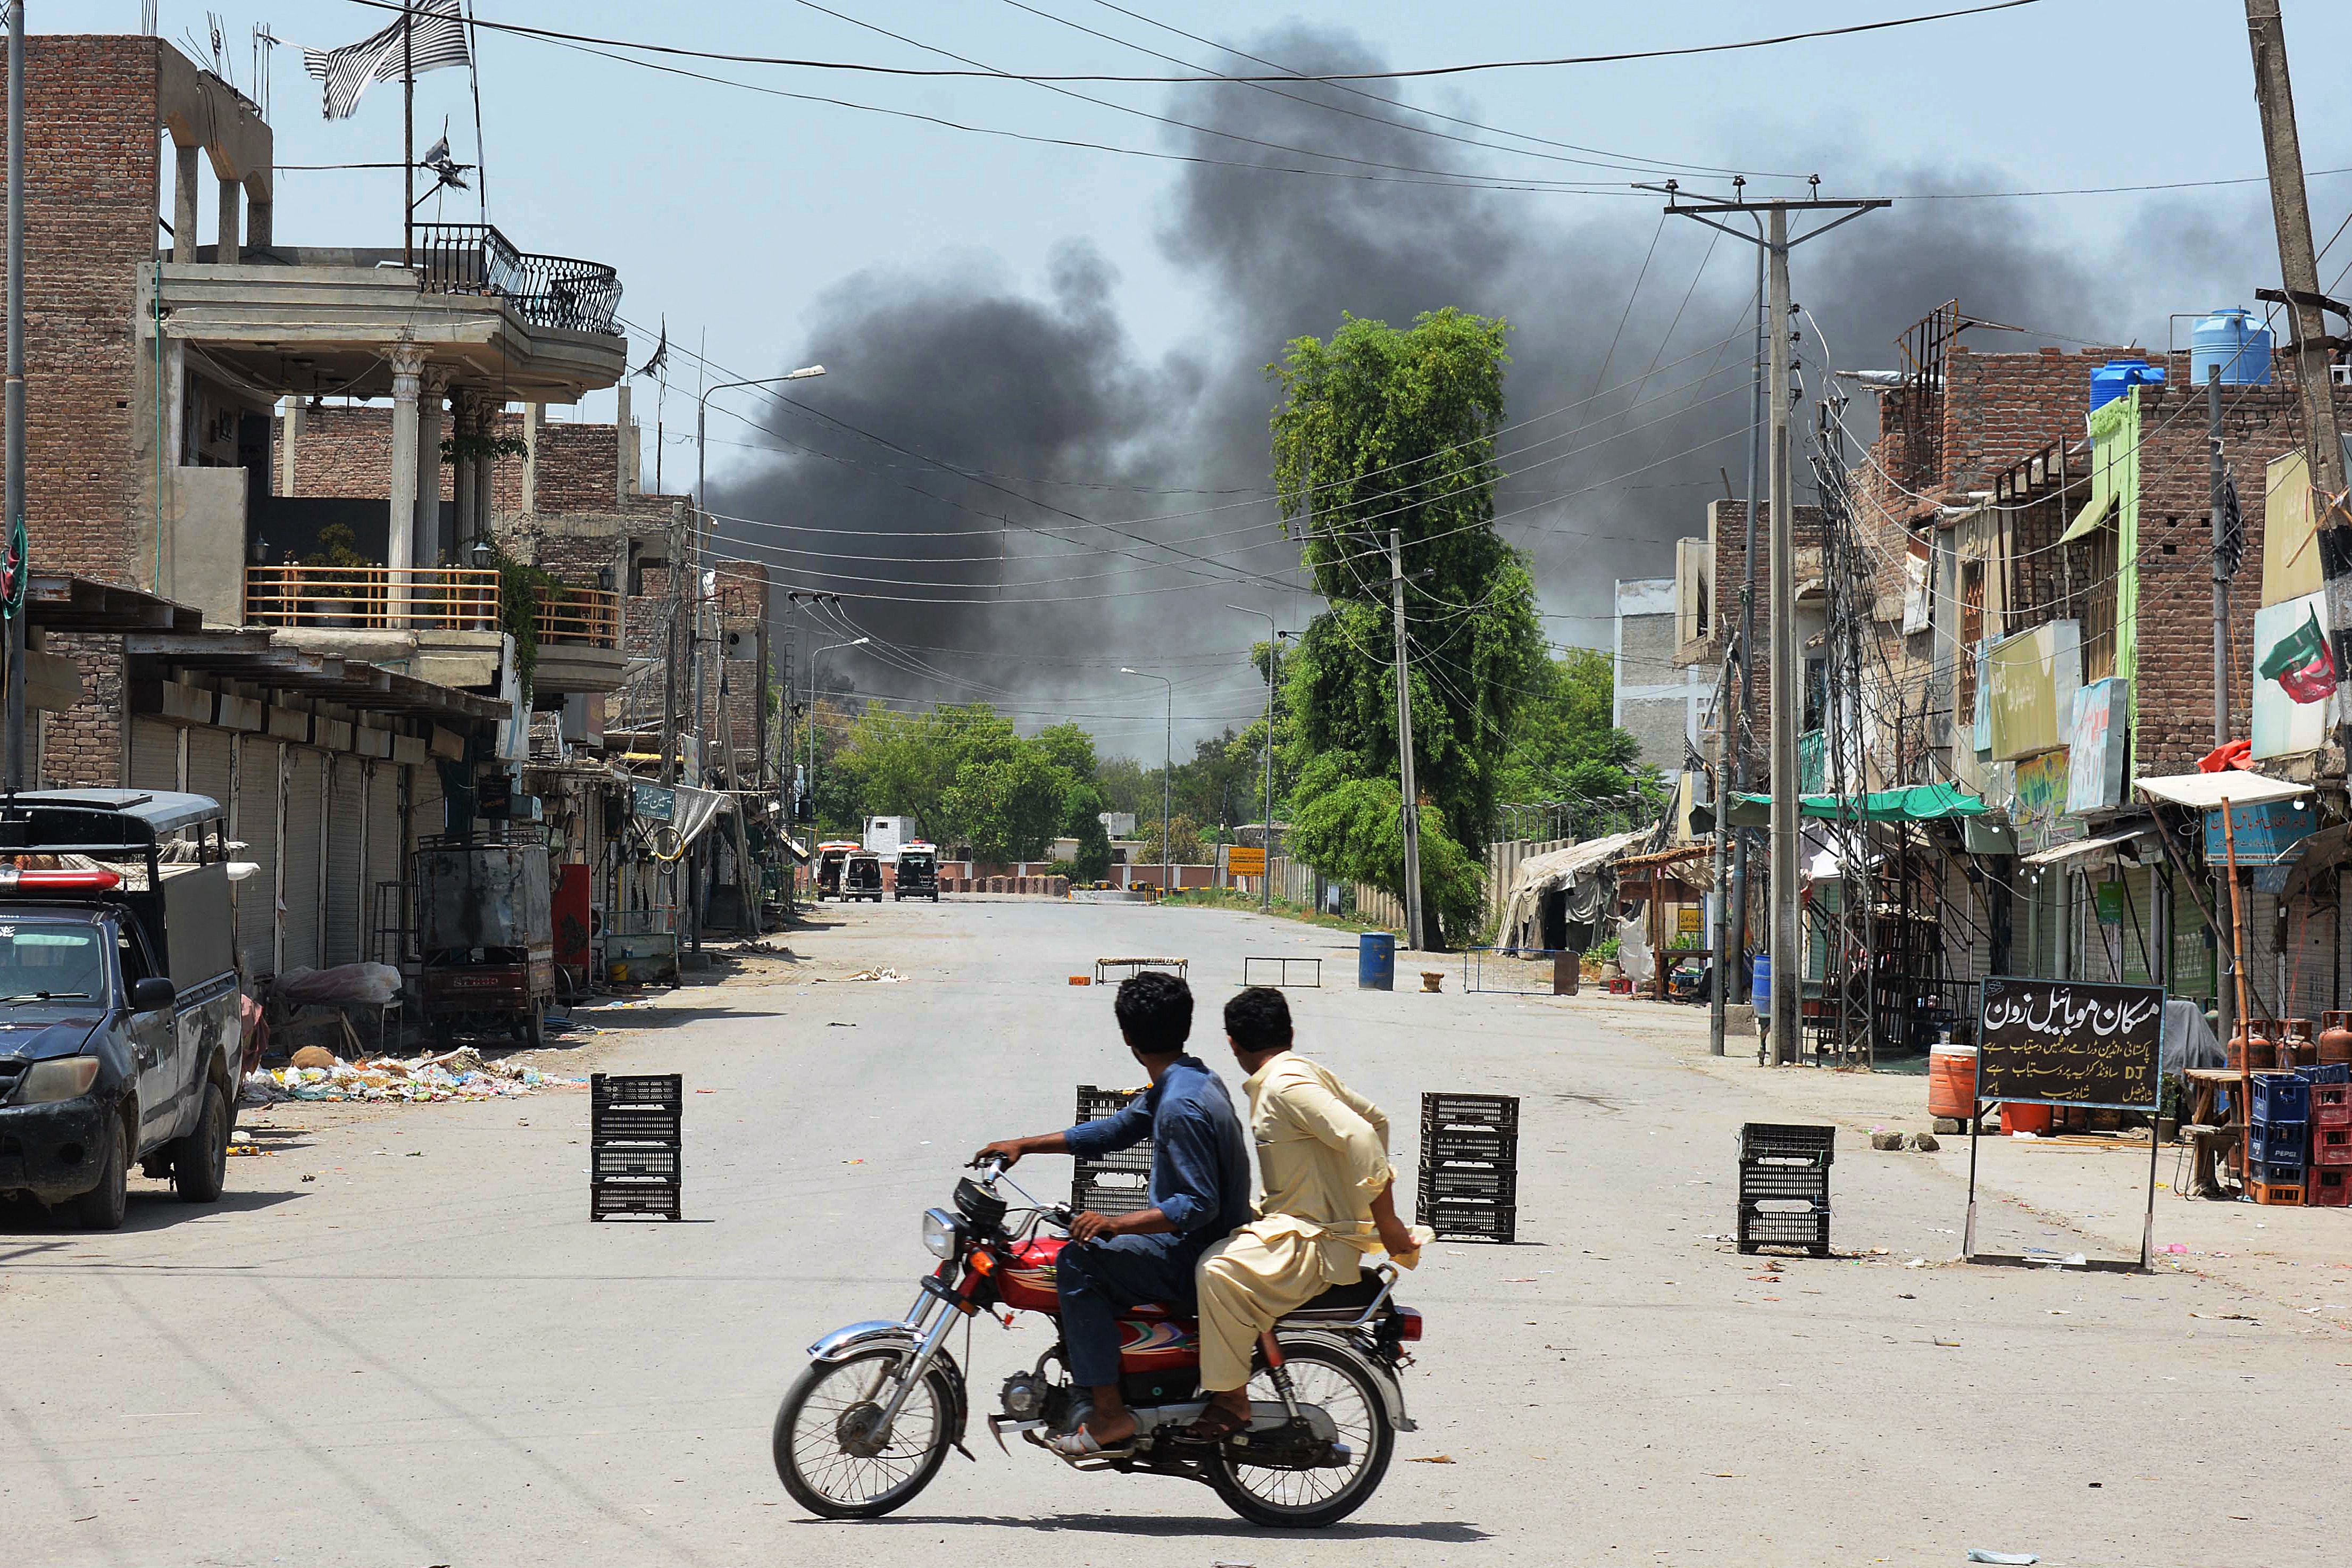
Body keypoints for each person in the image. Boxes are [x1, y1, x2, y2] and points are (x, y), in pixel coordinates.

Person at [972, 970, 1251, 1458]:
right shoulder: (1189, 1079)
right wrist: (1024, 1145)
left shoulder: (1180, 1105)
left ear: (1126, 1037)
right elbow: (1115, 1130)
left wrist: (1114, 1223)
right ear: (1185, 1025)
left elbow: (1196, 1203)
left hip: (1196, 1253)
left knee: (1076, 1263)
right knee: (1081, 1247)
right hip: (1207, 1240)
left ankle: (1109, 1414)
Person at [1184, 986, 1429, 1444]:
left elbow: (1360, 1135)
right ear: (1290, 1032)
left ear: (1233, 1045)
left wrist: (1386, 1221)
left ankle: (1232, 1400)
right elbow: (1376, 1119)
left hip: (1311, 1243)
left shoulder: (1286, 1085)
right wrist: (1344, 1203)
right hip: (1305, 1227)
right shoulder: (1299, 1071)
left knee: (1216, 1273)